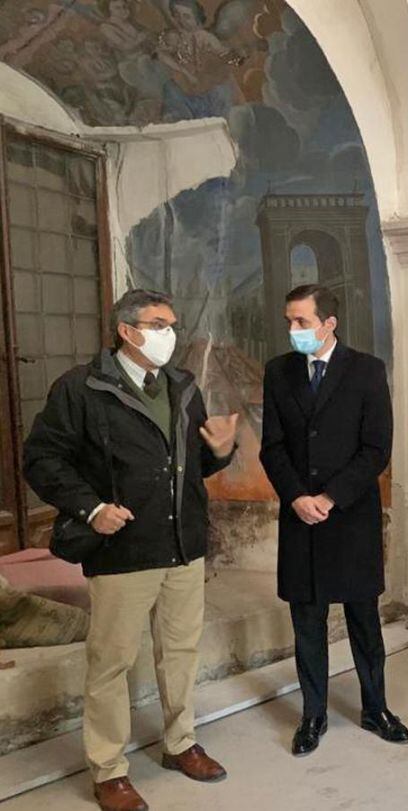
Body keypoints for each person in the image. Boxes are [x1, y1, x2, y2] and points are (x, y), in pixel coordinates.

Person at [24, 289, 238, 811]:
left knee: (180, 653)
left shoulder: (184, 387)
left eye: (172, 324)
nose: (169, 335)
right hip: (123, 549)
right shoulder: (82, 388)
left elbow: (191, 471)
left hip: (183, 544)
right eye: (158, 324)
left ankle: (181, 743)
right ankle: (108, 769)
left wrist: (221, 452)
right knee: (111, 662)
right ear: (127, 330)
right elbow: (43, 458)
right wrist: (92, 508)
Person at [260, 284, 408, 757]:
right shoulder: (278, 372)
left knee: (364, 619)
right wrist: (299, 497)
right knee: (307, 621)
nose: (292, 330)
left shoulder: (366, 371)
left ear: (329, 324)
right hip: (299, 517)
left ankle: (376, 708)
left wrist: (330, 496)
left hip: (349, 516)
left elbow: (376, 449)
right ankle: (313, 714)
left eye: (301, 321)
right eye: (288, 320)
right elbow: (273, 447)